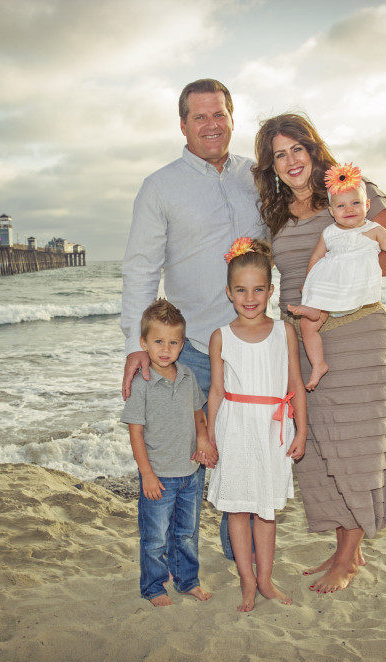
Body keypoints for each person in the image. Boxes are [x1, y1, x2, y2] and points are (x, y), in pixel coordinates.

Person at [253, 112, 386, 594]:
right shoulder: (275, 213)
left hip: (357, 333)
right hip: (304, 342)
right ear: (272, 167)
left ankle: (350, 554)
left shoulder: (351, 188)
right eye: (279, 155)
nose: (290, 161)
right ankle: (346, 544)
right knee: (318, 445)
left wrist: (342, 284)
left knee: (357, 442)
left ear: (312, 148)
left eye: (296, 149)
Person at [121, 78, 264, 559]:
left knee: (245, 452)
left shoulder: (258, 176)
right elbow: (142, 267)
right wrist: (135, 346)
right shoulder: (160, 186)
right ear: (182, 124)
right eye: (199, 116)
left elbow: (314, 204)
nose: (211, 124)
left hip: (255, 346)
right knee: (185, 460)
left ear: (231, 117)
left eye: (219, 113)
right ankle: (177, 562)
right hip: (196, 349)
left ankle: (236, 553)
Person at [205, 238, 307, 612]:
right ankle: (246, 581)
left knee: (265, 510)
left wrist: (304, 432)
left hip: (272, 430)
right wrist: (210, 438)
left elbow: (295, 385)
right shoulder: (221, 337)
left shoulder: (285, 332)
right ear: (229, 292)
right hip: (234, 429)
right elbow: (216, 392)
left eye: (259, 289)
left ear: (270, 290)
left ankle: (265, 579)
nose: (250, 298)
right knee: (238, 510)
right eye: (242, 290)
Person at [288, 163, 386, 391]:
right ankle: (318, 363)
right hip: (328, 291)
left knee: (315, 315)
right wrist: (309, 287)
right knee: (308, 326)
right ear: (332, 211)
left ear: (367, 205)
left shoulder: (374, 230)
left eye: (356, 203)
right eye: (341, 205)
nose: (349, 209)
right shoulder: (330, 233)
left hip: (354, 291)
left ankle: (315, 310)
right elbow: (316, 257)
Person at [121, 299, 215, 607]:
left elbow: (198, 414)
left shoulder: (187, 376)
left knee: (186, 534)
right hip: (158, 476)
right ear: (143, 343)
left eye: (173, 342)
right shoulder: (142, 384)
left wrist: (202, 439)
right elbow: (135, 431)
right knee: (155, 538)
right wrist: (146, 474)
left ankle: (187, 581)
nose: (165, 349)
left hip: (189, 473)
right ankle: (154, 587)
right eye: (158, 341)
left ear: (182, 344)